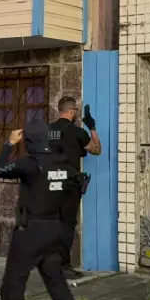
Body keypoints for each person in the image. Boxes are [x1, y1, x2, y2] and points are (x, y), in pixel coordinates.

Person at [0, 121, 94, 300]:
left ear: (29, 141)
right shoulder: (64, 165)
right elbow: (75, 187)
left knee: (13, 282)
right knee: (56, 283)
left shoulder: (30, 164)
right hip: (53, 231)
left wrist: (9, 144)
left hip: (30, 232)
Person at [48, 97, 102, 279]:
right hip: (69, 185)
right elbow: (96, 150)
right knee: (66, 225)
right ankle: (62, 267)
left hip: (50, 183)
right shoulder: (77, 132)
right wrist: (92, 127)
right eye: (76, 111)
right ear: (72, 110)